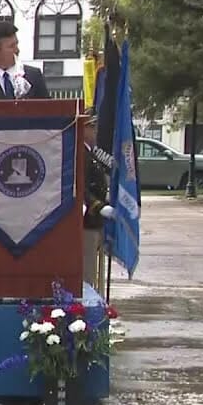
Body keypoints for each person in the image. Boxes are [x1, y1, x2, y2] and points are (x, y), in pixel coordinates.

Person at [82, 115, 114, 288]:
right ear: (84, 129)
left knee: (93, 268)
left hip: (95, 221)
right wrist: (98, 206)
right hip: (86, 220)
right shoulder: (81, 154)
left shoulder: (91, 153)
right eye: (91, 127)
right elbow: (81, 187)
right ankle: (86, 308)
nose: (95, 132)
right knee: (87, 270)